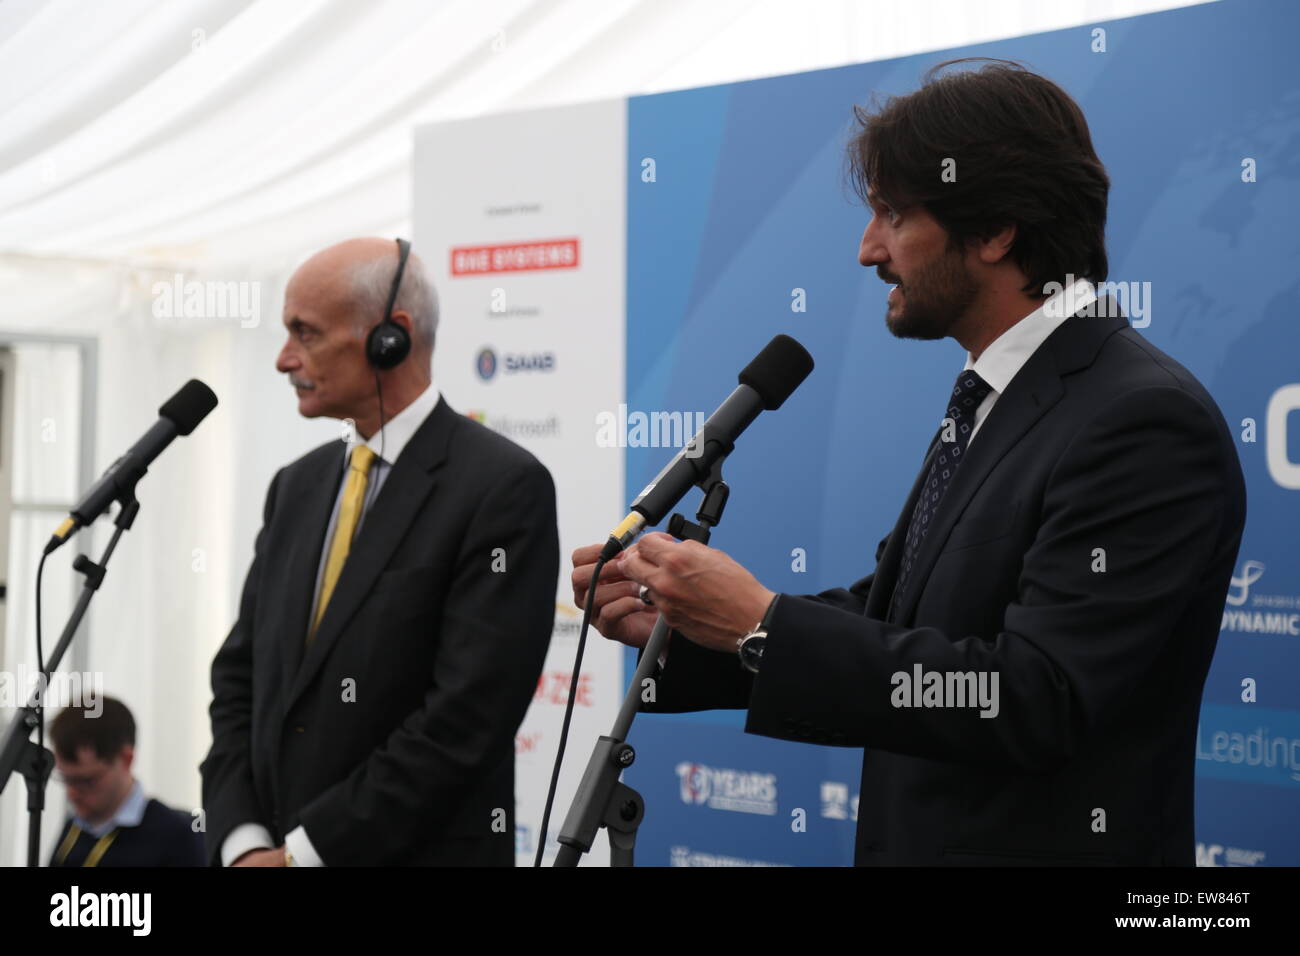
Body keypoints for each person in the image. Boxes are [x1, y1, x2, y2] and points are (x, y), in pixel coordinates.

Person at [572, 60, 1246, 866]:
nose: (867, 250)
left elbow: (1035, 696)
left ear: (996, 228)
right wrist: (693, 632)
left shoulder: (1142, 418)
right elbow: (901, 624)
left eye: (892, 214)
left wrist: (762, 624)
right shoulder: (996, 391)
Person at [201, 237, 558, 866]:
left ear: (389, 337)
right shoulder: (296, 487)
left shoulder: (501, 488)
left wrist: (302, 856)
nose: (285, 359)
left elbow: (465, 721)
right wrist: (242, 841)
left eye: (304, 333)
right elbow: (239, 679)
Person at [49, 697, 204, 867]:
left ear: (126, 759)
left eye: (87, 781)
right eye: (67, 779)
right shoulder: (73, 828)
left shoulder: (176, 835)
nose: (72, 792)